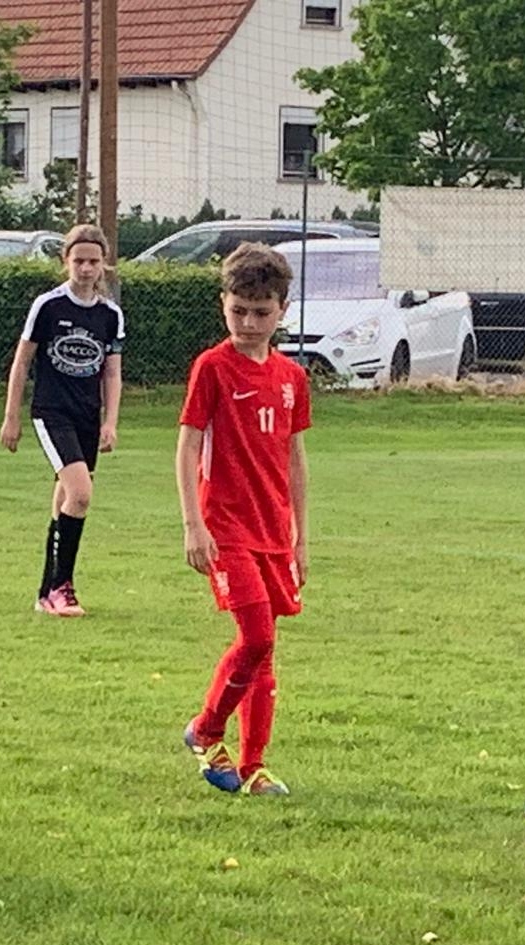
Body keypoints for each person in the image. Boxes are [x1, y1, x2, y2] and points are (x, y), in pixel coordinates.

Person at [177, 242, 311, 797]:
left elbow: (295, 457)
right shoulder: (212, 367)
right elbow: (188, 446)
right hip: (225, 528)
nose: (249, 323)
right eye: (239, 311)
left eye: (261, 312)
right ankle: (207, 729)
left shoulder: (292, 376)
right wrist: (193, 524)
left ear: (282, 311)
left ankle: (255, 766)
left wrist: (300, 537)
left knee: (266, 649)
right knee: (255, 637)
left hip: (274, 531)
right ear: (223, 305)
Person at [0, 224, 125, 617]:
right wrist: (11, 416)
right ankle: (62, 587)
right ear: (65, 261)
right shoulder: (48, 306)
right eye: (79, 260)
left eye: (93, 261)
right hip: (52, 413)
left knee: (65, 499)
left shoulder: (110, 314)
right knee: (81, 494)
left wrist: (110, 421)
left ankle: (45, 592)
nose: (86, 269)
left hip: (87, 416)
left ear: (103, 263)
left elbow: (112, 372)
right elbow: (22, 362)